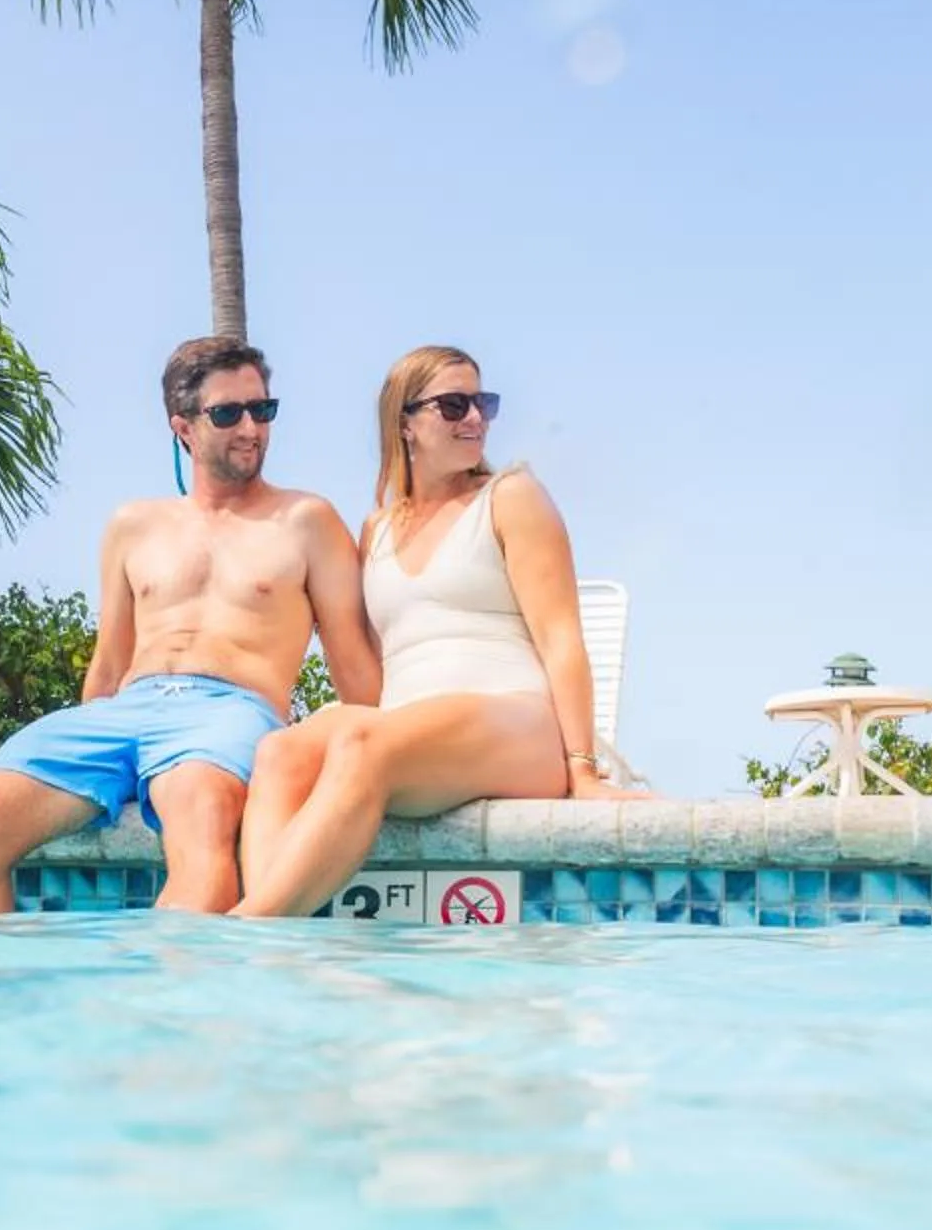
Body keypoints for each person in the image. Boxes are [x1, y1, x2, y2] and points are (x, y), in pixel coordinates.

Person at [0, 338, 380, 916]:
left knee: (200, 815)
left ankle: (164, 1006)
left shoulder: (307, 521)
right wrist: (100, 747)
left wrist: (378, 755)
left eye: (262, 410)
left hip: (231, 709)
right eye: (228, 413)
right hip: (124, 711)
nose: (251, 428)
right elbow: (110, 664)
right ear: (183, 427)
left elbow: (353, 669)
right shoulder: (133, 524)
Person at [234, 344, 640, 918]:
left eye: (482, 403)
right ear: (406, 423)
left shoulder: (510, 498)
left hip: (517, 723)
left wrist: (583, 769)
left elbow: (562, 639)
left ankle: (245, 935)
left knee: (361, 742)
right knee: (280, 752)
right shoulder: (375, 530)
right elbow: (376, 668)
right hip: (411, 733)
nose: (475, 419)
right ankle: (273, 925)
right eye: (453, 405)